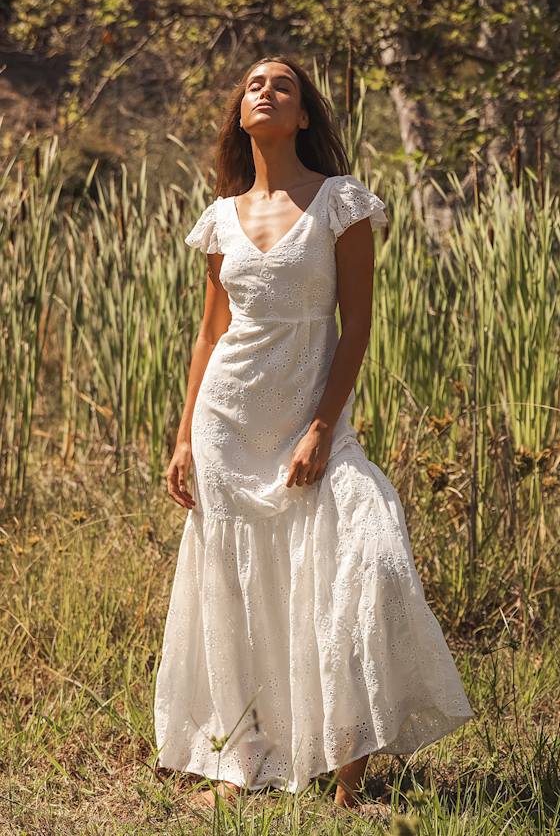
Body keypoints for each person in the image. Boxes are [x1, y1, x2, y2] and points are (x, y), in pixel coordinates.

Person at [154, 55, 474, 811]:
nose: (265, 92)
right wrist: (182, 437)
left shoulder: (341, 203)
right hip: (227, 425)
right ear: (242, 114)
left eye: (283, 86)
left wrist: (323, 427)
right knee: (235, 588)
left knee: (369, 558)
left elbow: (356, 326)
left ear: (303, 116)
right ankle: (238, 761)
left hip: (308, 420)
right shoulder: (220, 218)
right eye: (254, 86)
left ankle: (347, 780)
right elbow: (210, 335)